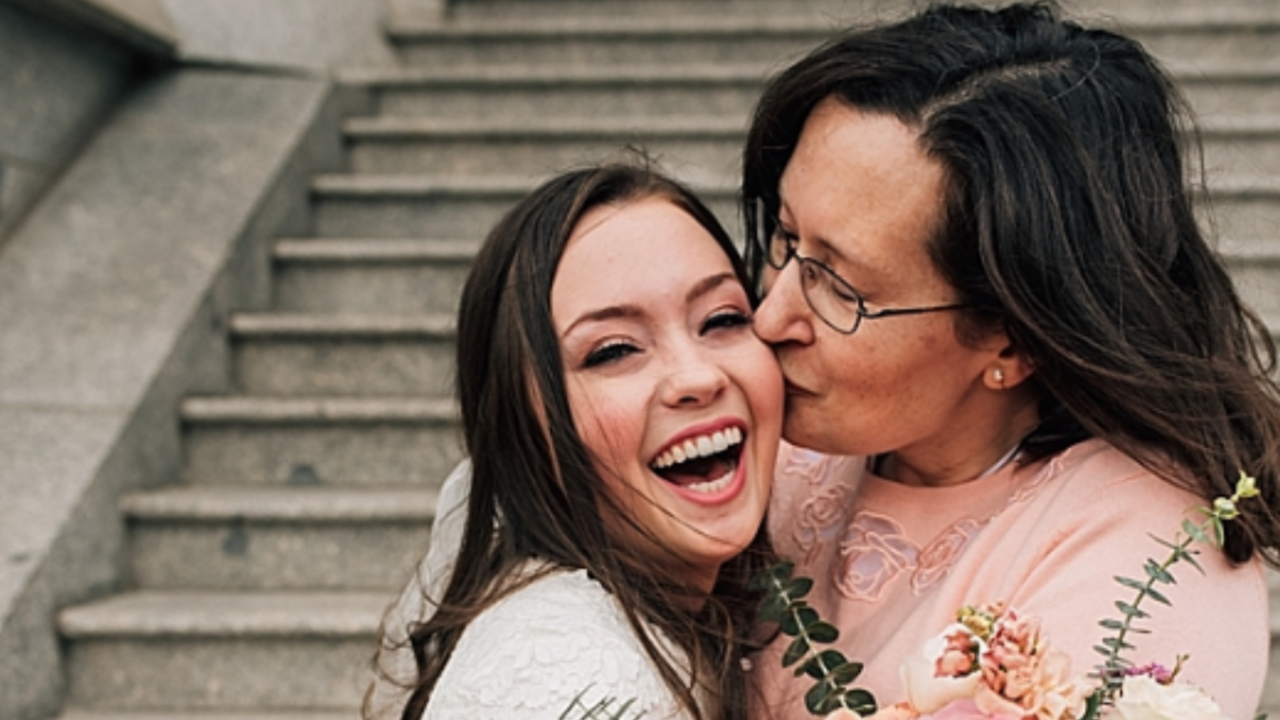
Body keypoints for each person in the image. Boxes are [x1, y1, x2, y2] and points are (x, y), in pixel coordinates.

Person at [741, 2, 1280, 718]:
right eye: (785, 238)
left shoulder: (1152, 561)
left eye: (839, 287)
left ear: (1013, 338)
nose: (769, 316)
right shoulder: (761, 437)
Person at [365, 162, 785, 720]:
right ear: (523, 427)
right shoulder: (568, 679)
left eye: (722, 319)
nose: (698, 377)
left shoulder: (676, 620)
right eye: (614, 350)